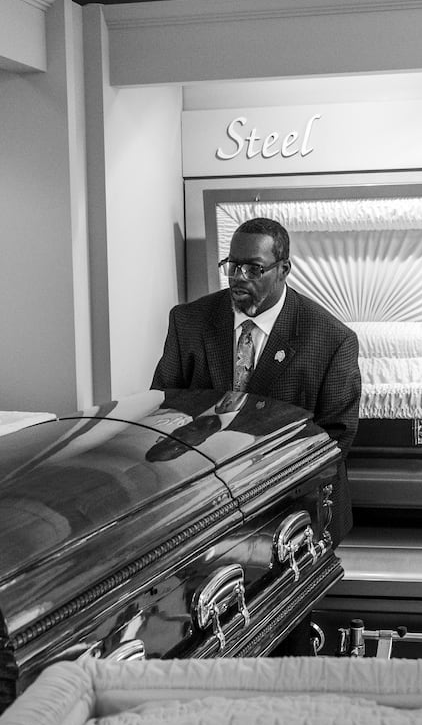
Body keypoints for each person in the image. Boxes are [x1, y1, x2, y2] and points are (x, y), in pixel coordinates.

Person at [152, 217, 362, 542]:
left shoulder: (330, 340)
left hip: (295, 509)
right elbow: (163, 407)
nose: (238, 278)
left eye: (253, 269)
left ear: (284, 269)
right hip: (205, 506)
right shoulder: (189, 321)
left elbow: (335, 439)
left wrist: (258, 489)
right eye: (232, 266)